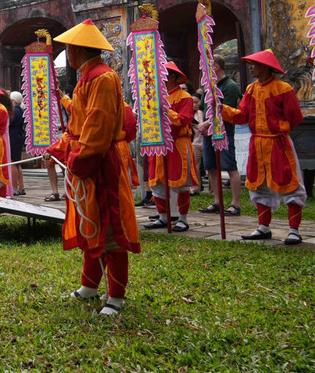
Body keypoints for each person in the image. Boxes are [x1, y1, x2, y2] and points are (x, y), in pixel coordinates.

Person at [46, 19, 140, 316]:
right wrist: (57, 149)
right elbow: (77, 125)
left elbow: (96, 132)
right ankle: (89, 285)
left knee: (110, 228)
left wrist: (76, 161)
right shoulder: (86, 79)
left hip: (99, 164)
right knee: (90, 225)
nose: (67, 54)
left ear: (78, 51)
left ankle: (116, 296)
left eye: (69, 48)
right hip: (85, 162)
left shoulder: (102, 78)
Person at [222, 50, 306, 244]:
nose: (251, 68)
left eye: (254, 65)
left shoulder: (283, 89)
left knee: (290, 183)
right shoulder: (251, 90)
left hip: (279, 143)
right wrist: (222, 109)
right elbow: (242, 116)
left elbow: (294, 117)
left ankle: (294, 231)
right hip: (257, 144)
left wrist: (279, 130)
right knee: (258, 184)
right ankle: (263, 228)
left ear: (265, 67)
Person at [144, 62, 199, 233]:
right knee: (157, 181)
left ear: (173, 77)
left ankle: (182, 219)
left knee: (180, 183)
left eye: (165, 75)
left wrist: (165, 109)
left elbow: (183, 121)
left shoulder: (185, 97)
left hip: (177, 143)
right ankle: (162, 217)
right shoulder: (156, 96)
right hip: (159, 144)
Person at [198, 56, 243, 216]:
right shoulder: (208, 85)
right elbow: (202, 107)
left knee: (230, 167)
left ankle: (235, 204)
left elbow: (226, 110)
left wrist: (206, 124)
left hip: (224, 132)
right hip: (208, 133)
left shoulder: (230, 86)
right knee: (211, 167)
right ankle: (218, 201)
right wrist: (203, 123)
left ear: (215, 67)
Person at [8, 91, 26, 197]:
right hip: (18, 135)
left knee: (13, 162)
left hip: (13, 136)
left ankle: (14, 188)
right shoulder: (20, 110)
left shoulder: (14, 110)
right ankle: (21, 187)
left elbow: (8, 123)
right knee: (17, 163)